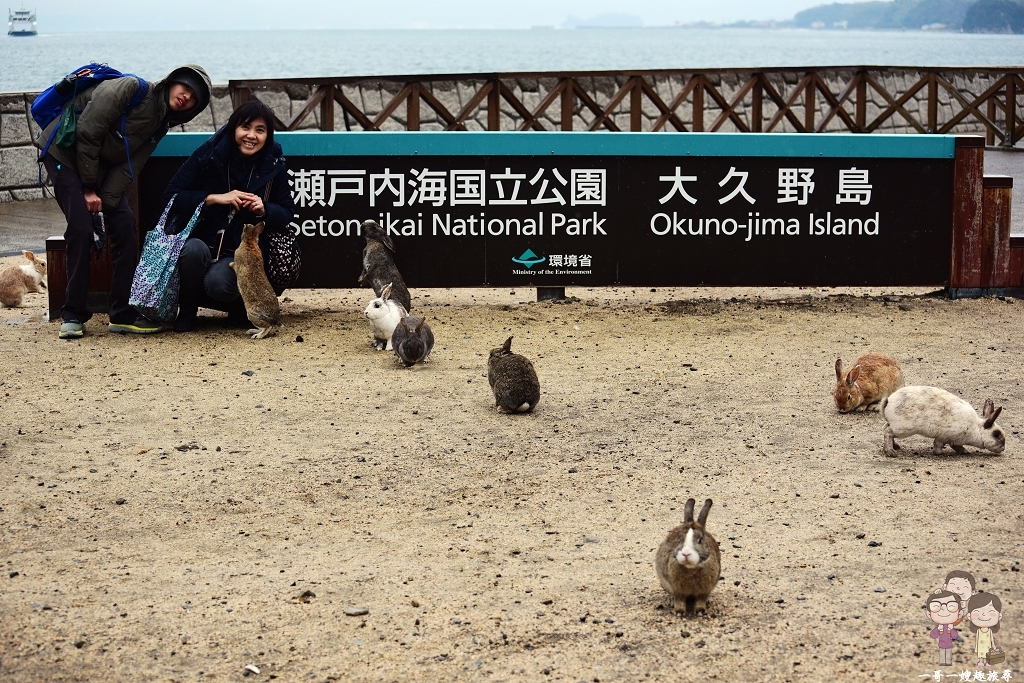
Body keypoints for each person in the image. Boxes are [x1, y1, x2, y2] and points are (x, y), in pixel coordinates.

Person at [36, 65, 212, 339]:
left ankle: (122, 313)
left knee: (125, 226)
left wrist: (105, 201)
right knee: (81, 227)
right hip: (63, 151)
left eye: (193, 98)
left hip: (97, 169)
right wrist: (89, 188)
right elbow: (88, 131)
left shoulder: (160, 123)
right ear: (172, 81)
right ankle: (72, 313)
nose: (186, 96)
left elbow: (130, 167)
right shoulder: (130, 88)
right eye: (185, 87)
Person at [160, 99, 298, 332]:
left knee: (220, 284)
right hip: (201, 240)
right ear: (234, 128)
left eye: (260, 130)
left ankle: (237, 307)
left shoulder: (273, 163)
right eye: (245, 127)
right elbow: (170, 198)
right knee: (193, 251)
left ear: (268, 136)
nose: (251, 136)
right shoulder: (208, 155)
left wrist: (264, 208)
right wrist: (214, 198)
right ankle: (188, 310)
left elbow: (287, 213)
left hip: (237, 252)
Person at [926, 589, 961, 667]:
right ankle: (943, 664)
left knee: (947, 656)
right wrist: (938, 630)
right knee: (942, 656)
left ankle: (947, 664)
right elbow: (933, 635)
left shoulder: (950, 626)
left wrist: (951, 629)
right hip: (941, 645)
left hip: (948, 645)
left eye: (951, 606)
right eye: (936, 606)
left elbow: (955, 636)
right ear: (929, 613)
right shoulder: (939, 627)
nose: (943, 609)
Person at [966, 592, 1002, 667]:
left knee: (987, 653)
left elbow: (991, 639)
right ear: (969, 616)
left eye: (991, 612)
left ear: (999, 616)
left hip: (988, 645)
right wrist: (976, 647)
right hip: (981, 645)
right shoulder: (978, 631)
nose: (984, 615)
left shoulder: (990, 631)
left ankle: (988, 662)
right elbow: (977, 639)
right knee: (981, 654)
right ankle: (981, 662)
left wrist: (994, 646)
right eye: (977, 611)